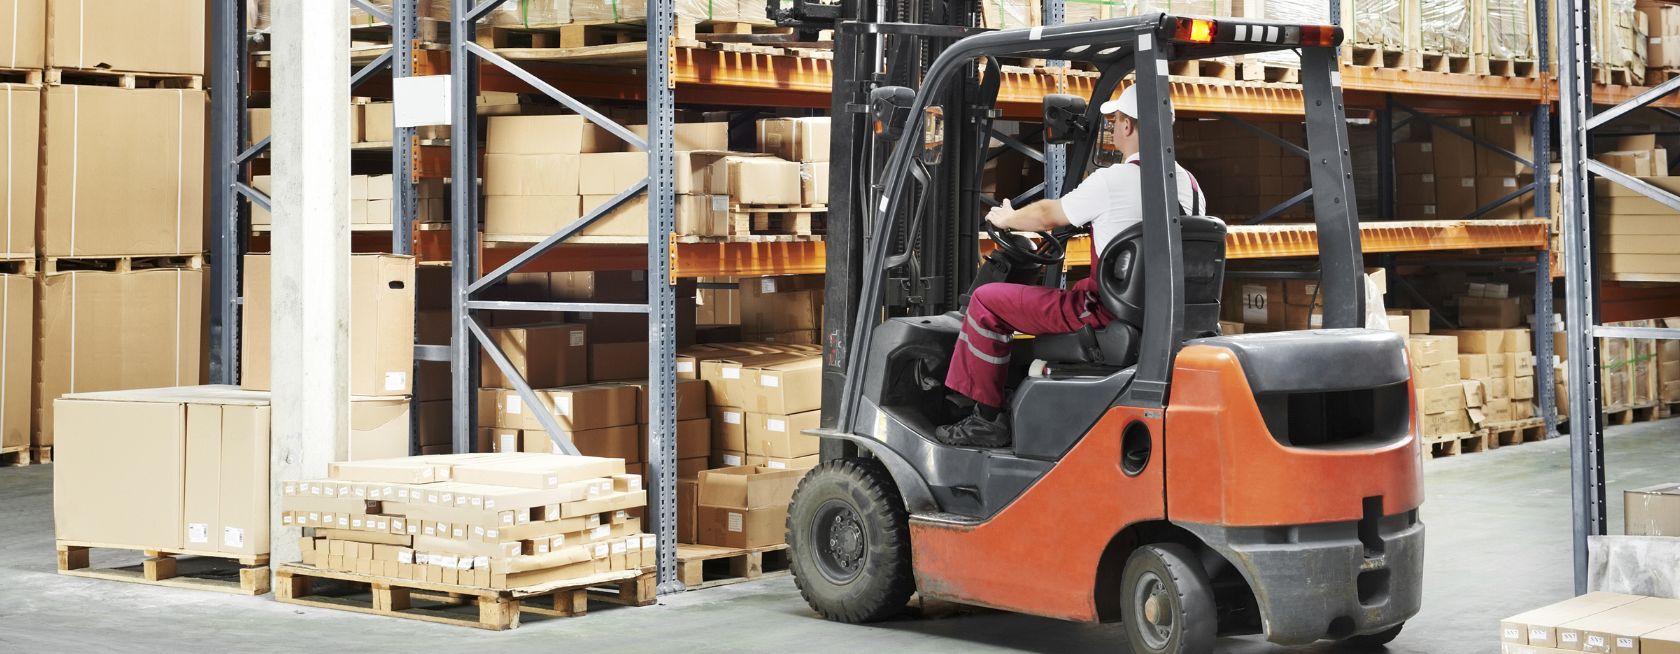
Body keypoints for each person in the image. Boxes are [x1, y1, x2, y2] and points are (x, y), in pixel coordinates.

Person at [936, 84, 1207, 448]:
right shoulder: (1191, 186)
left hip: (1102, 314)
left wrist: (1008, 218)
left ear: (1128, 126)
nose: (1113, 128)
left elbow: (1050, 214)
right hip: (1163, 318)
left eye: (1116, 121)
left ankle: (985, 420)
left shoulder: (1113, 181)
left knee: (986, 301)